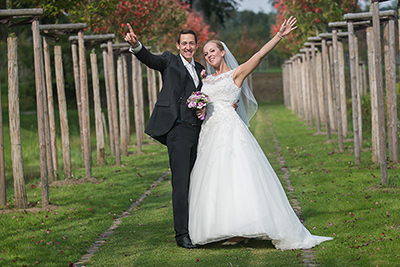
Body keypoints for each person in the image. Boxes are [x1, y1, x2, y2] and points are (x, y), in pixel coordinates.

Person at [188, 16, 333, 249]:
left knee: (237, 176)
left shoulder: (236, 74)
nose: (208, 56)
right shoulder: (207, 80)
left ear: (223, 52)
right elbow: (206, 104)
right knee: (214, 180)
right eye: (205, 53)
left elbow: (259, 56)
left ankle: (243, 228)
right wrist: (200, 110)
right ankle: (221, 227)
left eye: (212, 50)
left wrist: (279, 36)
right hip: (209, 133)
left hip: (230, 131)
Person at [125, 24, 204, 249]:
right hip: (177, 130)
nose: (188, 47)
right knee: (181, 183)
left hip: (197, 131)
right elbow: (151, 59)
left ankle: (198, 227)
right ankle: (182, 235)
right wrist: (136, 46)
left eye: (192, 43)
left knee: (198, 181)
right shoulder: (169, 61)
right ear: (178, 46)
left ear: (196, 46)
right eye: (184, 43)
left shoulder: (201, 68)